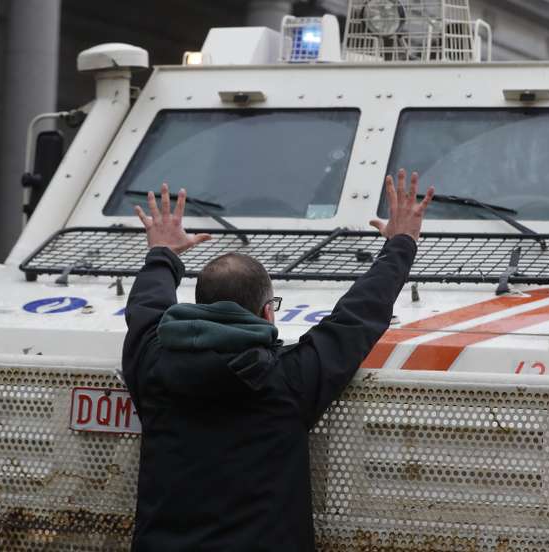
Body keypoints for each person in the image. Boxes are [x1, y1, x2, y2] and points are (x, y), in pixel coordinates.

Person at [122, 170, 434, 551]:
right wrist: (401, 243)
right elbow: (357, 317)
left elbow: (146, 307)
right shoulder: (288, 379)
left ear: (199, 307)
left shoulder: (152, 365)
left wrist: (163, 254)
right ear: (267, 313)